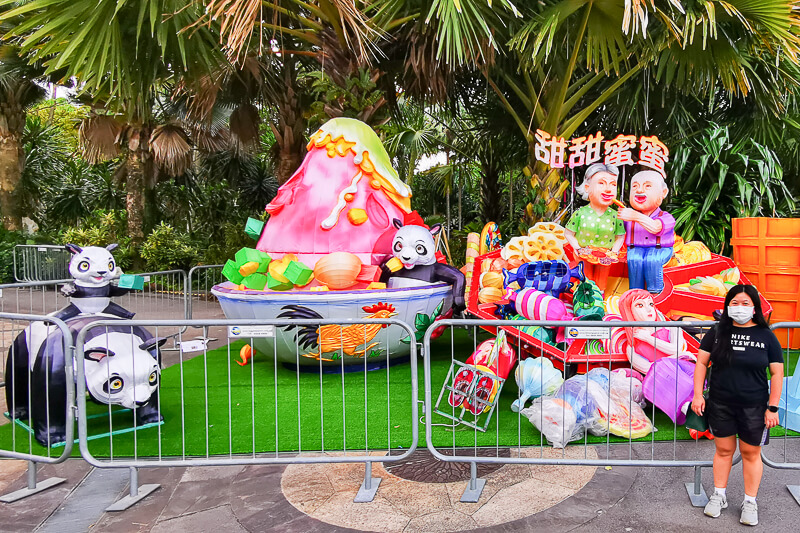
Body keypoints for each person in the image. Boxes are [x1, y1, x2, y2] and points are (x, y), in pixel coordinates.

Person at [691, 284, 784, 526]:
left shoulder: (767, 336)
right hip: (721, 403)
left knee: (751, 453)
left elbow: (776, 373)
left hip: (754, 406)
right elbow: (701, 363)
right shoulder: (718, 332)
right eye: (734, 303)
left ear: (754, 308)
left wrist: (772, 407)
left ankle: (750, 501)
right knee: (723, 451)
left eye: (745, 304)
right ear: (727, 305)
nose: (739, 308)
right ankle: (718, 495)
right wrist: (698, 395)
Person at [564, 163, 625, 291]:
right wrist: (578, 248)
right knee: (585, 278)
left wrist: (613, 252)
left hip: (606, 257)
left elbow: (620, 236)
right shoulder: (580, 213)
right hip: (583, 254)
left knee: (602, 280)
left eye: (613, 185)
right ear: (587, 188)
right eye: (601, 183)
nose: (608, 189)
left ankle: (599, 300)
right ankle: (584, 299)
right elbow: (569, 233)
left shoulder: (616, 215)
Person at [617, 170, 675, 293]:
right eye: (635, 186)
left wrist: (635, 216)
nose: (639, 191)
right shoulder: (628, 218)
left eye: (648, 186)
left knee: (652, 260)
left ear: (663, 193)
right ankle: (636, 293)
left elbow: (655, 228)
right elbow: (617, 233)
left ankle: (655, 293)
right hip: (635, 249)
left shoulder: (666, 217)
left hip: (660, 249)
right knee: (634, 260)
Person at [618, 289, 695, 374]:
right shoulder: (632, 347)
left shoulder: (672, 327)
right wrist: (674, 359)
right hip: (659, 383)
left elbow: (675, 349)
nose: (649, 309)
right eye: (640, 305)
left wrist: (648, 338)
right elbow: (648, 369)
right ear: (629, 311)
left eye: (651, 304)